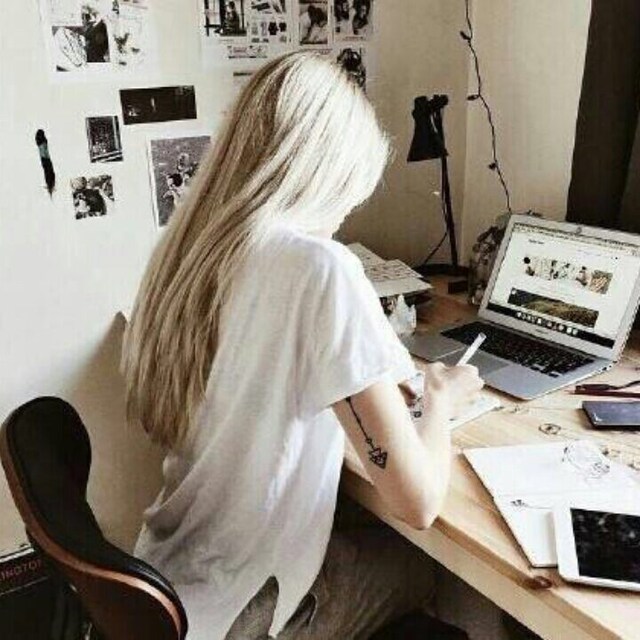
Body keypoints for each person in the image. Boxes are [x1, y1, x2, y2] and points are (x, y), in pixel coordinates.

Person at [122, 52, 483, 640]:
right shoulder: (319, 267)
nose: (343, 215)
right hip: (248, 611)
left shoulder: (185, 253)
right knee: (453, 571)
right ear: (325, 174)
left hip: (170, 584)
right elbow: (417, 503)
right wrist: (441, 400)